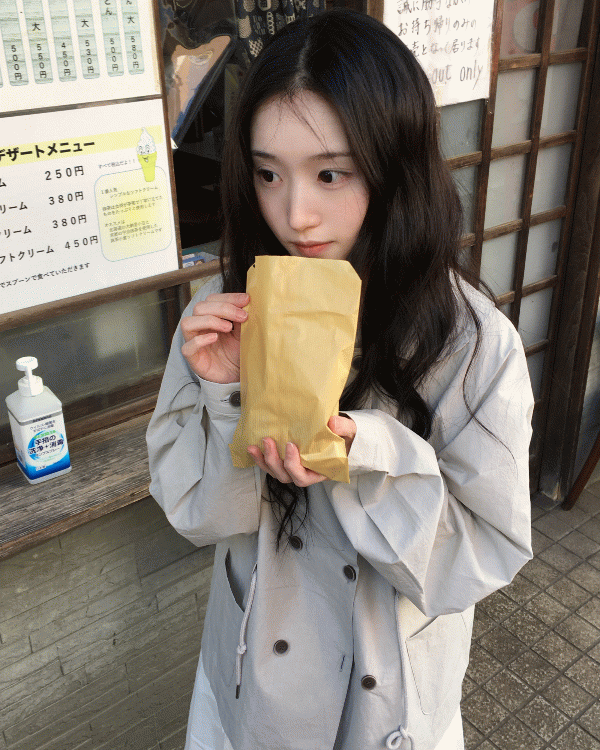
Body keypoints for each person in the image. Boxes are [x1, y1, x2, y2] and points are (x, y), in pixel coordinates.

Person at [146, 9, 534, 750]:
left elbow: (487, 551)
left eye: (331, 173)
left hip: (391, 695)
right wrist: (227, 396)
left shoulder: (471, 342)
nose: (296, 213)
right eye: (268, 173)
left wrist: (370, 456)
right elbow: (197, 515)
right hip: (255, 684)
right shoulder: (224, 318)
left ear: (396, 168)